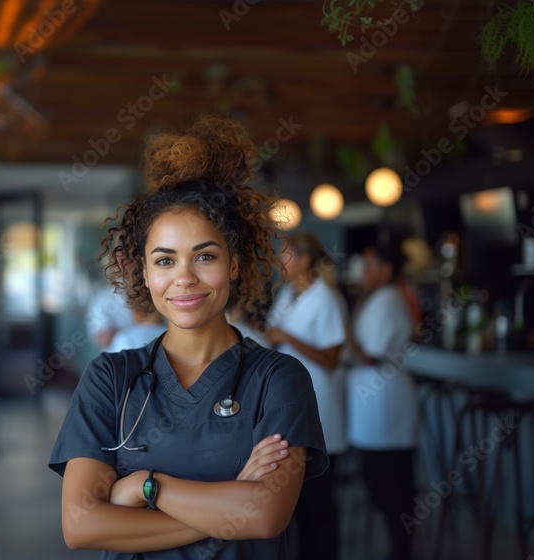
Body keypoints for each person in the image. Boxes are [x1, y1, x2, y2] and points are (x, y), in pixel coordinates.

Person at [49, 115, 328, 559]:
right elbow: (81, 526)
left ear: (234, 265)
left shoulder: (278, 379)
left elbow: (263, 516)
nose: (184, 278)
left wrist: (144, 487)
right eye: (164, 261)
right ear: (143, 271)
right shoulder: (111, 377)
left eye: (205, 256)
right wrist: (229, 500)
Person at [263, 231, 347, 560]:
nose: (279, 261)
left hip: (322, 405)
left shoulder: (326, 298)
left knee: (319, 503)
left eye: (286, 255)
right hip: (291, 405)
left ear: (305, 260)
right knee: (294, 503)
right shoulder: (286, 295)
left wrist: (286, 336)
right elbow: (272, 337)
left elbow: (332, 358)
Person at [345, 243, 416, 560]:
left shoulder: (387, 299)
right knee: (385, 485)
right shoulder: (379, 297)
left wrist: (341, 330)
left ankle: (401, 552)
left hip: (384, 406)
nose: (365, 272)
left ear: (386, 269)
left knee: (389, 487)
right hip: (374, 404)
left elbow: (369, 355)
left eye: (370, 265)